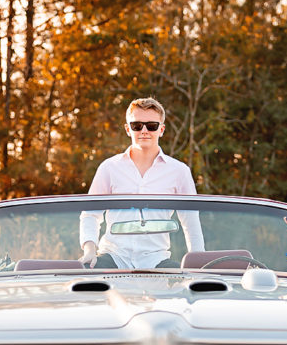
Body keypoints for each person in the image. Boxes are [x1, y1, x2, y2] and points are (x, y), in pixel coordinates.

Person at [79, 97, 204, 268]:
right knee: (85, 283)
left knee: (185, 288)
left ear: (161, 129)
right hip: (113, 257)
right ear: (128, 129)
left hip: (156, 260)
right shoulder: (108, 167)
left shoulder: (180, 171)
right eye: (137, 126)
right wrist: (89, 251)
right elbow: (90, 214)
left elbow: (191, 221)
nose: (144, 131)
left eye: (151, 126)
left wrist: (198, 262)